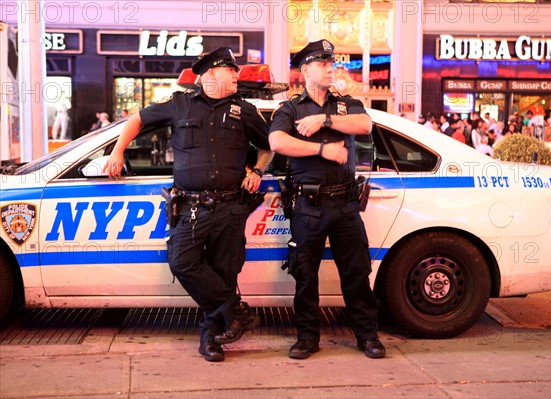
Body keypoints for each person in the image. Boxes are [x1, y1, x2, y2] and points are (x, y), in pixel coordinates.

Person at [103, 47, 273, 363]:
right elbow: (136, 120)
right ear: (210, 74)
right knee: (181, 260)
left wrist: (259, 170)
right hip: (192, 206)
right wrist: (117, 152)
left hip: (229, 206)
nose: (237, 75)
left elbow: (269, 145)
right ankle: (235, 310)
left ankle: (211, 339)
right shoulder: (179, 104)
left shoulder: (244, 110)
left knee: (223, 273)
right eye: (231, 70)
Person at [268, 39, 385, 360]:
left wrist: (325, 121)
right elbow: (277, 141)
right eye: (322, 64)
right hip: (308, 206)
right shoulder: (290, 108)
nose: (330, 68)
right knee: (306, 277)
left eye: (331, 63)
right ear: (305, 70)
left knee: (357, 274)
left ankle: (367, 336)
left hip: (346, 204)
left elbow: (365, 124)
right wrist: (323, 149)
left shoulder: (345, 104)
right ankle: (307, 338)